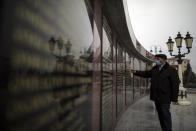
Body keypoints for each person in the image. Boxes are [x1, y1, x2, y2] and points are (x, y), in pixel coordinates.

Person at [131, 54, 180, 131]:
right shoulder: (155, 69)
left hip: (165, 97)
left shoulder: (171, 70)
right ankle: (164, 129)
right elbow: (146, 74)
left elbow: (175, 84)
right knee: (160, 115)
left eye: (158, 58)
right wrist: (136, 72)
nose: (156, 60)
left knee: (166, 115)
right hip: (156, 97)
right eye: (155, 59)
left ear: (164, 59)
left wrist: (174, 98)